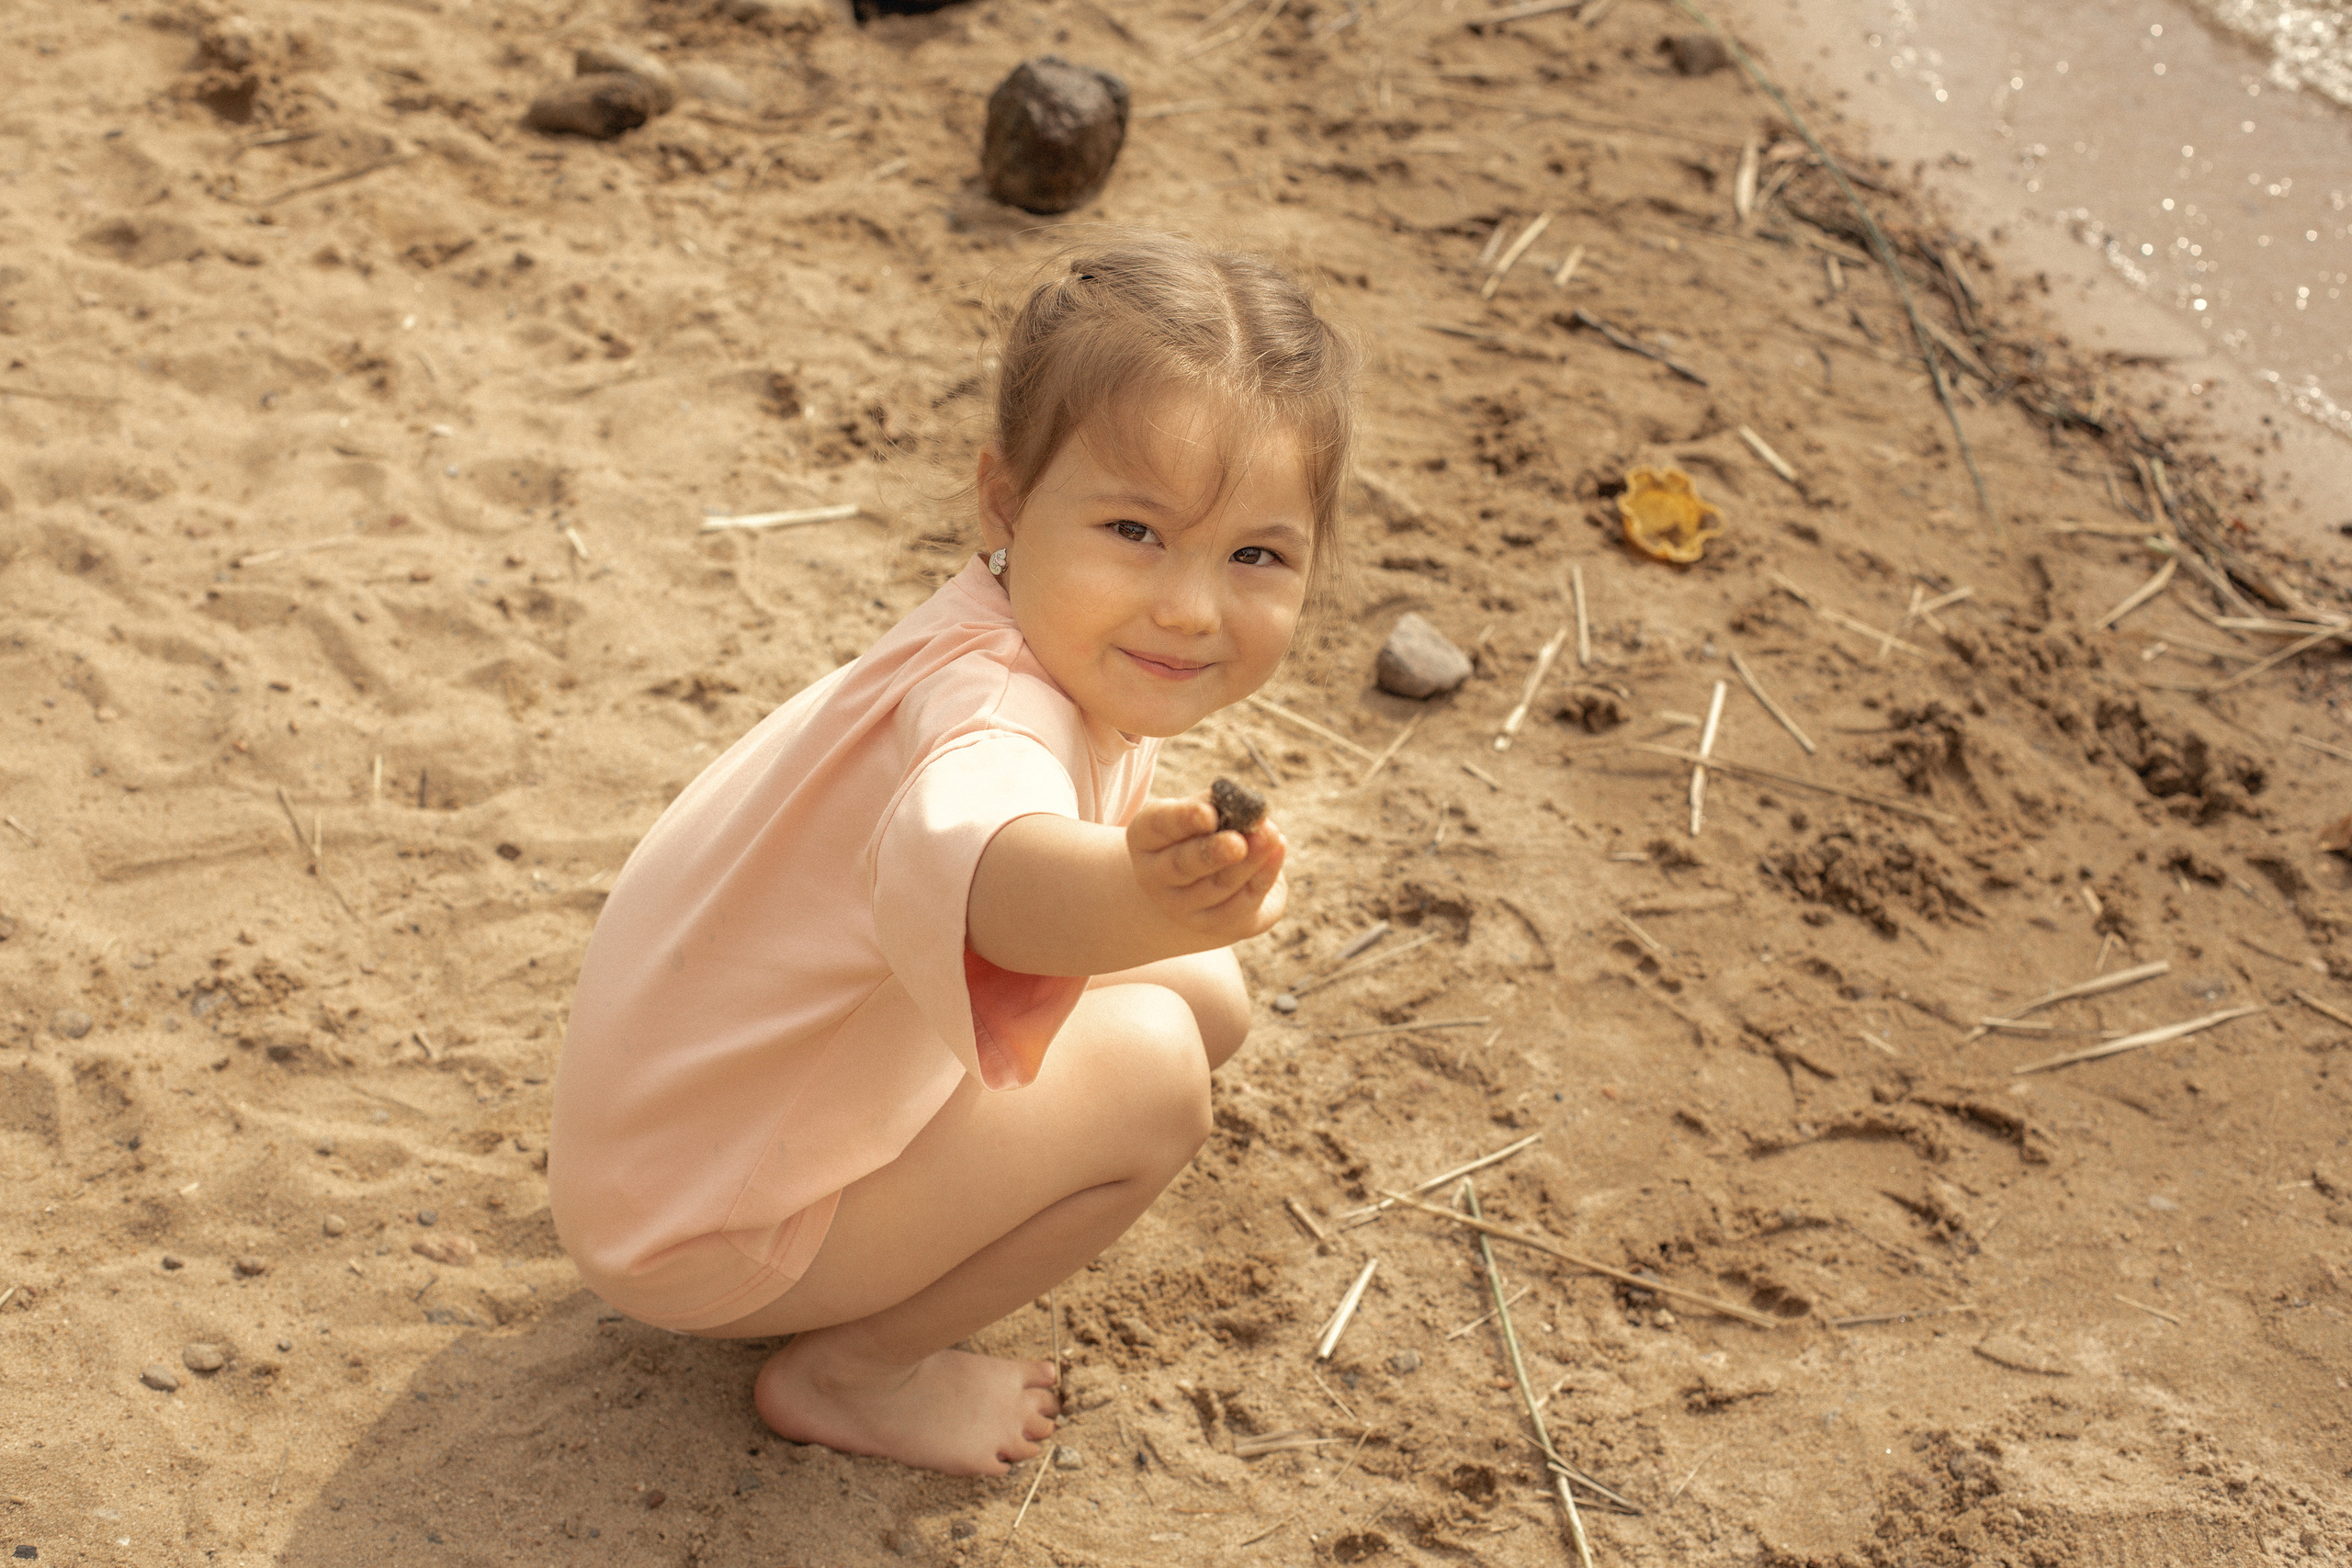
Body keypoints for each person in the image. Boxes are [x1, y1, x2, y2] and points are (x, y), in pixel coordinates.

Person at [549, 233, 1358, 1476]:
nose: (1192, 607)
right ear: (1004, 502)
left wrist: (1154, 915)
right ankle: (852, 1374)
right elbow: (996, 876)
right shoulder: (988, 715)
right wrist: (1142, 895)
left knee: (1210, 998)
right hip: (696, 1228)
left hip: (685, 1129)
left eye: (1255, 554)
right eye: (1136, 529)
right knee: (1154, 1079)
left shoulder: (1024, 634)